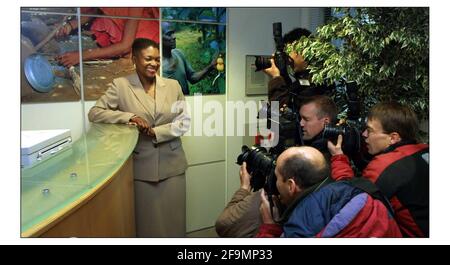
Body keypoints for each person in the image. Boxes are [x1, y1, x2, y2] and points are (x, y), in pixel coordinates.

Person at [88, 38, 190, 237]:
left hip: (173, 164)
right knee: (147, 225)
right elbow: (95, 113)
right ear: (135, 59)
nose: (154, 64)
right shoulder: (121, 86)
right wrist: (129, 117)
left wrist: (156, 132)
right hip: (140, 166)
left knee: (174, 221)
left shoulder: (173, 85)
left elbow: (183, 122)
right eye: (148, 58)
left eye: (157, 59)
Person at [215, 95, 338, 237]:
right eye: (300, 118)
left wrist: (244, 188)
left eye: (307, 119)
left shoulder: (330, 160)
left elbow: (223, 224)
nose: (301, 124)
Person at [328, 101, 429, 237]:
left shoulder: (385, 165)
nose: (363, 134)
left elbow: (349, 200)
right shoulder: (424, 150)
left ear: (393, 138)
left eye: (369, 131)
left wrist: (338, 157)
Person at [256, 146, 402, 237]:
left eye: (277, 177)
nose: (274, 183)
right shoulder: (360, 189)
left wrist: (269, 227)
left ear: (290, 186)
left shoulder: (300, 226)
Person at [56, 7, 159, 67]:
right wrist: (70, 25)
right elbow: (97, 10)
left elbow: (126, 45)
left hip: (141, 41)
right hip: (123, 34)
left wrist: (80, 55)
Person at [264, 27, 333, 109]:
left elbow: (279, 116)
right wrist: (281, 75)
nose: (287, 58)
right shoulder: (303, 79)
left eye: (289, 52)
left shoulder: (317, 84)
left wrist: (276, 78)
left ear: (303, 52)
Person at [161, 22, 217, 95]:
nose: (174, 36)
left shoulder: (179, 54)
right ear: (159, 38)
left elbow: (192, 78)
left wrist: (211, 67)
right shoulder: (158, 66)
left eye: (173, 33)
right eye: (169, 34)